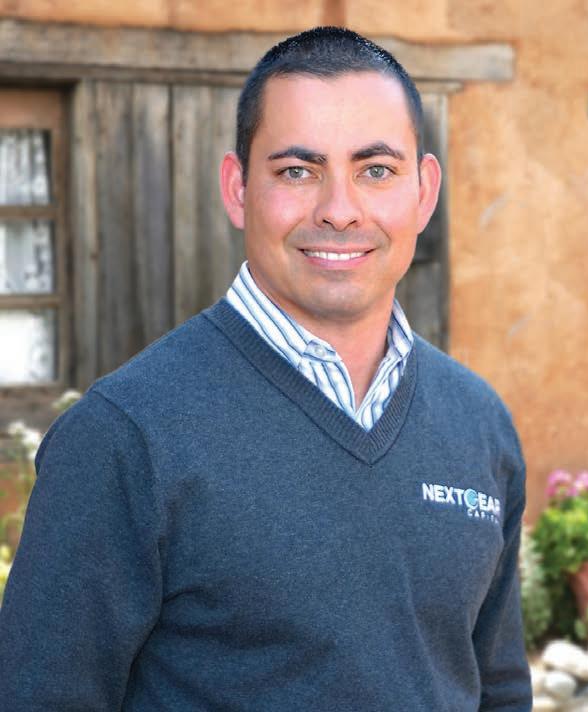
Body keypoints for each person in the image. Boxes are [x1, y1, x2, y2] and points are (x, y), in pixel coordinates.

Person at [0, 27, 531, 711]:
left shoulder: (479, 425)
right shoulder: (124, 437)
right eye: (297, 172)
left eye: (375, 170)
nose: (339, 211)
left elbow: (498, 690)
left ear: (424, 191)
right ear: (237, 188)